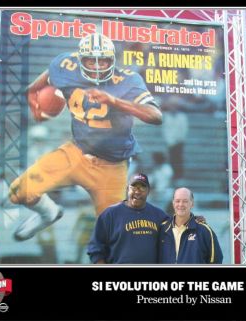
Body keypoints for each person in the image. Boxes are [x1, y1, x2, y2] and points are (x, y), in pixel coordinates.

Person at [9, 33, 162, 241]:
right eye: (91, 60)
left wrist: (114, 101)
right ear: (80, 59)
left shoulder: (127, 79)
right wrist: (37, 106)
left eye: (104, 60)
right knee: (19, 191)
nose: (98, 66)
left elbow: (155, 115)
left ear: (113, 60)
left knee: (112, 237)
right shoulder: (65, 65)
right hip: (76, 152)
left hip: (112, 166)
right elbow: (35, 88)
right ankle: (49, 213)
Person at [87, 173, 169, 264]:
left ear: (148, 191)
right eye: (134, 187)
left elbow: (172, 247)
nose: (137, 192)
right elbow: (95, 249)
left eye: (142, 187)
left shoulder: (160, 216)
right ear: (127, 189)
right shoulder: (110, 215)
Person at [159, 187, 223, 264]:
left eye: (185, 201)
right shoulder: (162, 229)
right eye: (177, 201)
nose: (181, 204)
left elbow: (216, 261)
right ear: (173, 203)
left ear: (192, 203)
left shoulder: (204, 231)